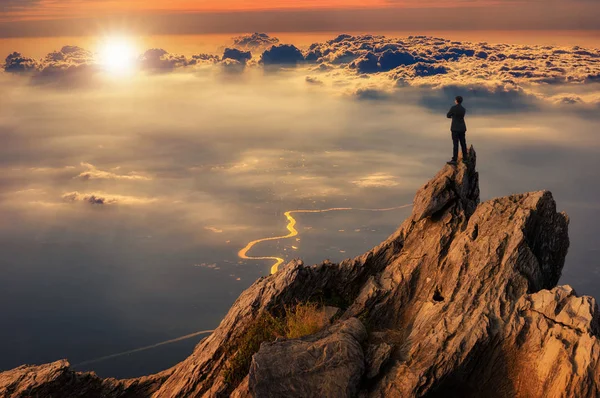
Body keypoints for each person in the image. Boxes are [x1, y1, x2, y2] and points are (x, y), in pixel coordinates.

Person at [446, 96, 468, 165]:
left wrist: (453, 116)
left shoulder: (453, 108)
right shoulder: (463, 109)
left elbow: (448, 115)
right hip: (462, 128)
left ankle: (454, 159)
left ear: (456, 101)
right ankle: (465, 158)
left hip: (455, 128)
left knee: (455, 144)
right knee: (463, 143)